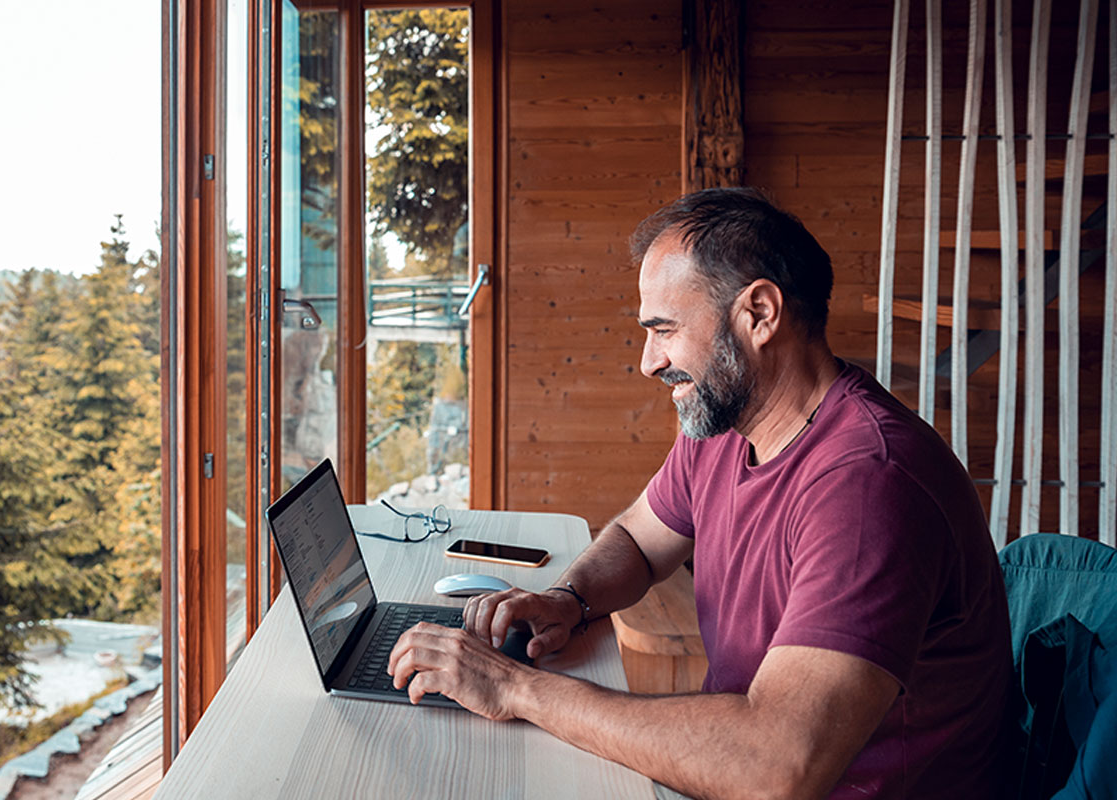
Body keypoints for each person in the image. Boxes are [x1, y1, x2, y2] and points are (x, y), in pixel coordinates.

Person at [386, 188, 1012, 799]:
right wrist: (567, 599)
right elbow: (637, 537)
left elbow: (775, 769)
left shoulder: (869, 484)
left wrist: (516, 689)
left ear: (759, 314)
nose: (648, 362)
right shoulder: (727, 424)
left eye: (664, 330)